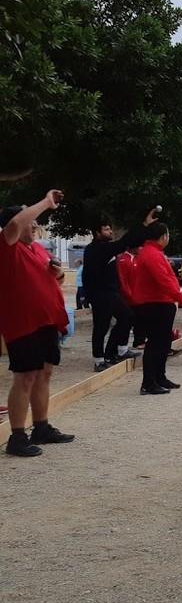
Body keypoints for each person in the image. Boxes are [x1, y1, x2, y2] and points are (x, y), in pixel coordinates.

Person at [1, 192, 76, 457]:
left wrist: (56, 276)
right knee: (25, 376)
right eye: (29, 220)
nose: (34, 224)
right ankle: (17, 436)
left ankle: (41, 427)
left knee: (44, 372)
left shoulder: (37, 249)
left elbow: (47, 282)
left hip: (46, 321)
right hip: (22, 323)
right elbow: (14, 225)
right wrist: (45, 203)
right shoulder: (6, 246)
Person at [82, 209, 155, 372]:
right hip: (100, 294)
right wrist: (144, 225)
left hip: (111, 293)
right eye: (106, 230)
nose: (110, 232)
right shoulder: (97, 248)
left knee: (127, 316)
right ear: (97, 233)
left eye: (110, 228)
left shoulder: (105, 247)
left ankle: (118, 350)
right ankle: (99, 360)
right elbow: (125, 242)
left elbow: (127, 242)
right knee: (101, 326)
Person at [129, 222, 182, 395]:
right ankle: (148, 383)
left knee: (163, 342)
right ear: (163, 236)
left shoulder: (155, 253)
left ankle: (160, 377)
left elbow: (168, 279)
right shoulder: (151, 254)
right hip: (154, 304)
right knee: (155, 344)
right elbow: (163, 280)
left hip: (162, 303)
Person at [116, 245, 146, 349]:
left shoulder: (136, 259)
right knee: (129, 320)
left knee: (140, 319)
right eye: (140, 247)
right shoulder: (124, 260)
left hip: (138, 296)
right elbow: (123, 281)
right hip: (129, 297)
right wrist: (129, 295)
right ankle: (122, 346)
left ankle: (139, 341)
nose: (141, 249)